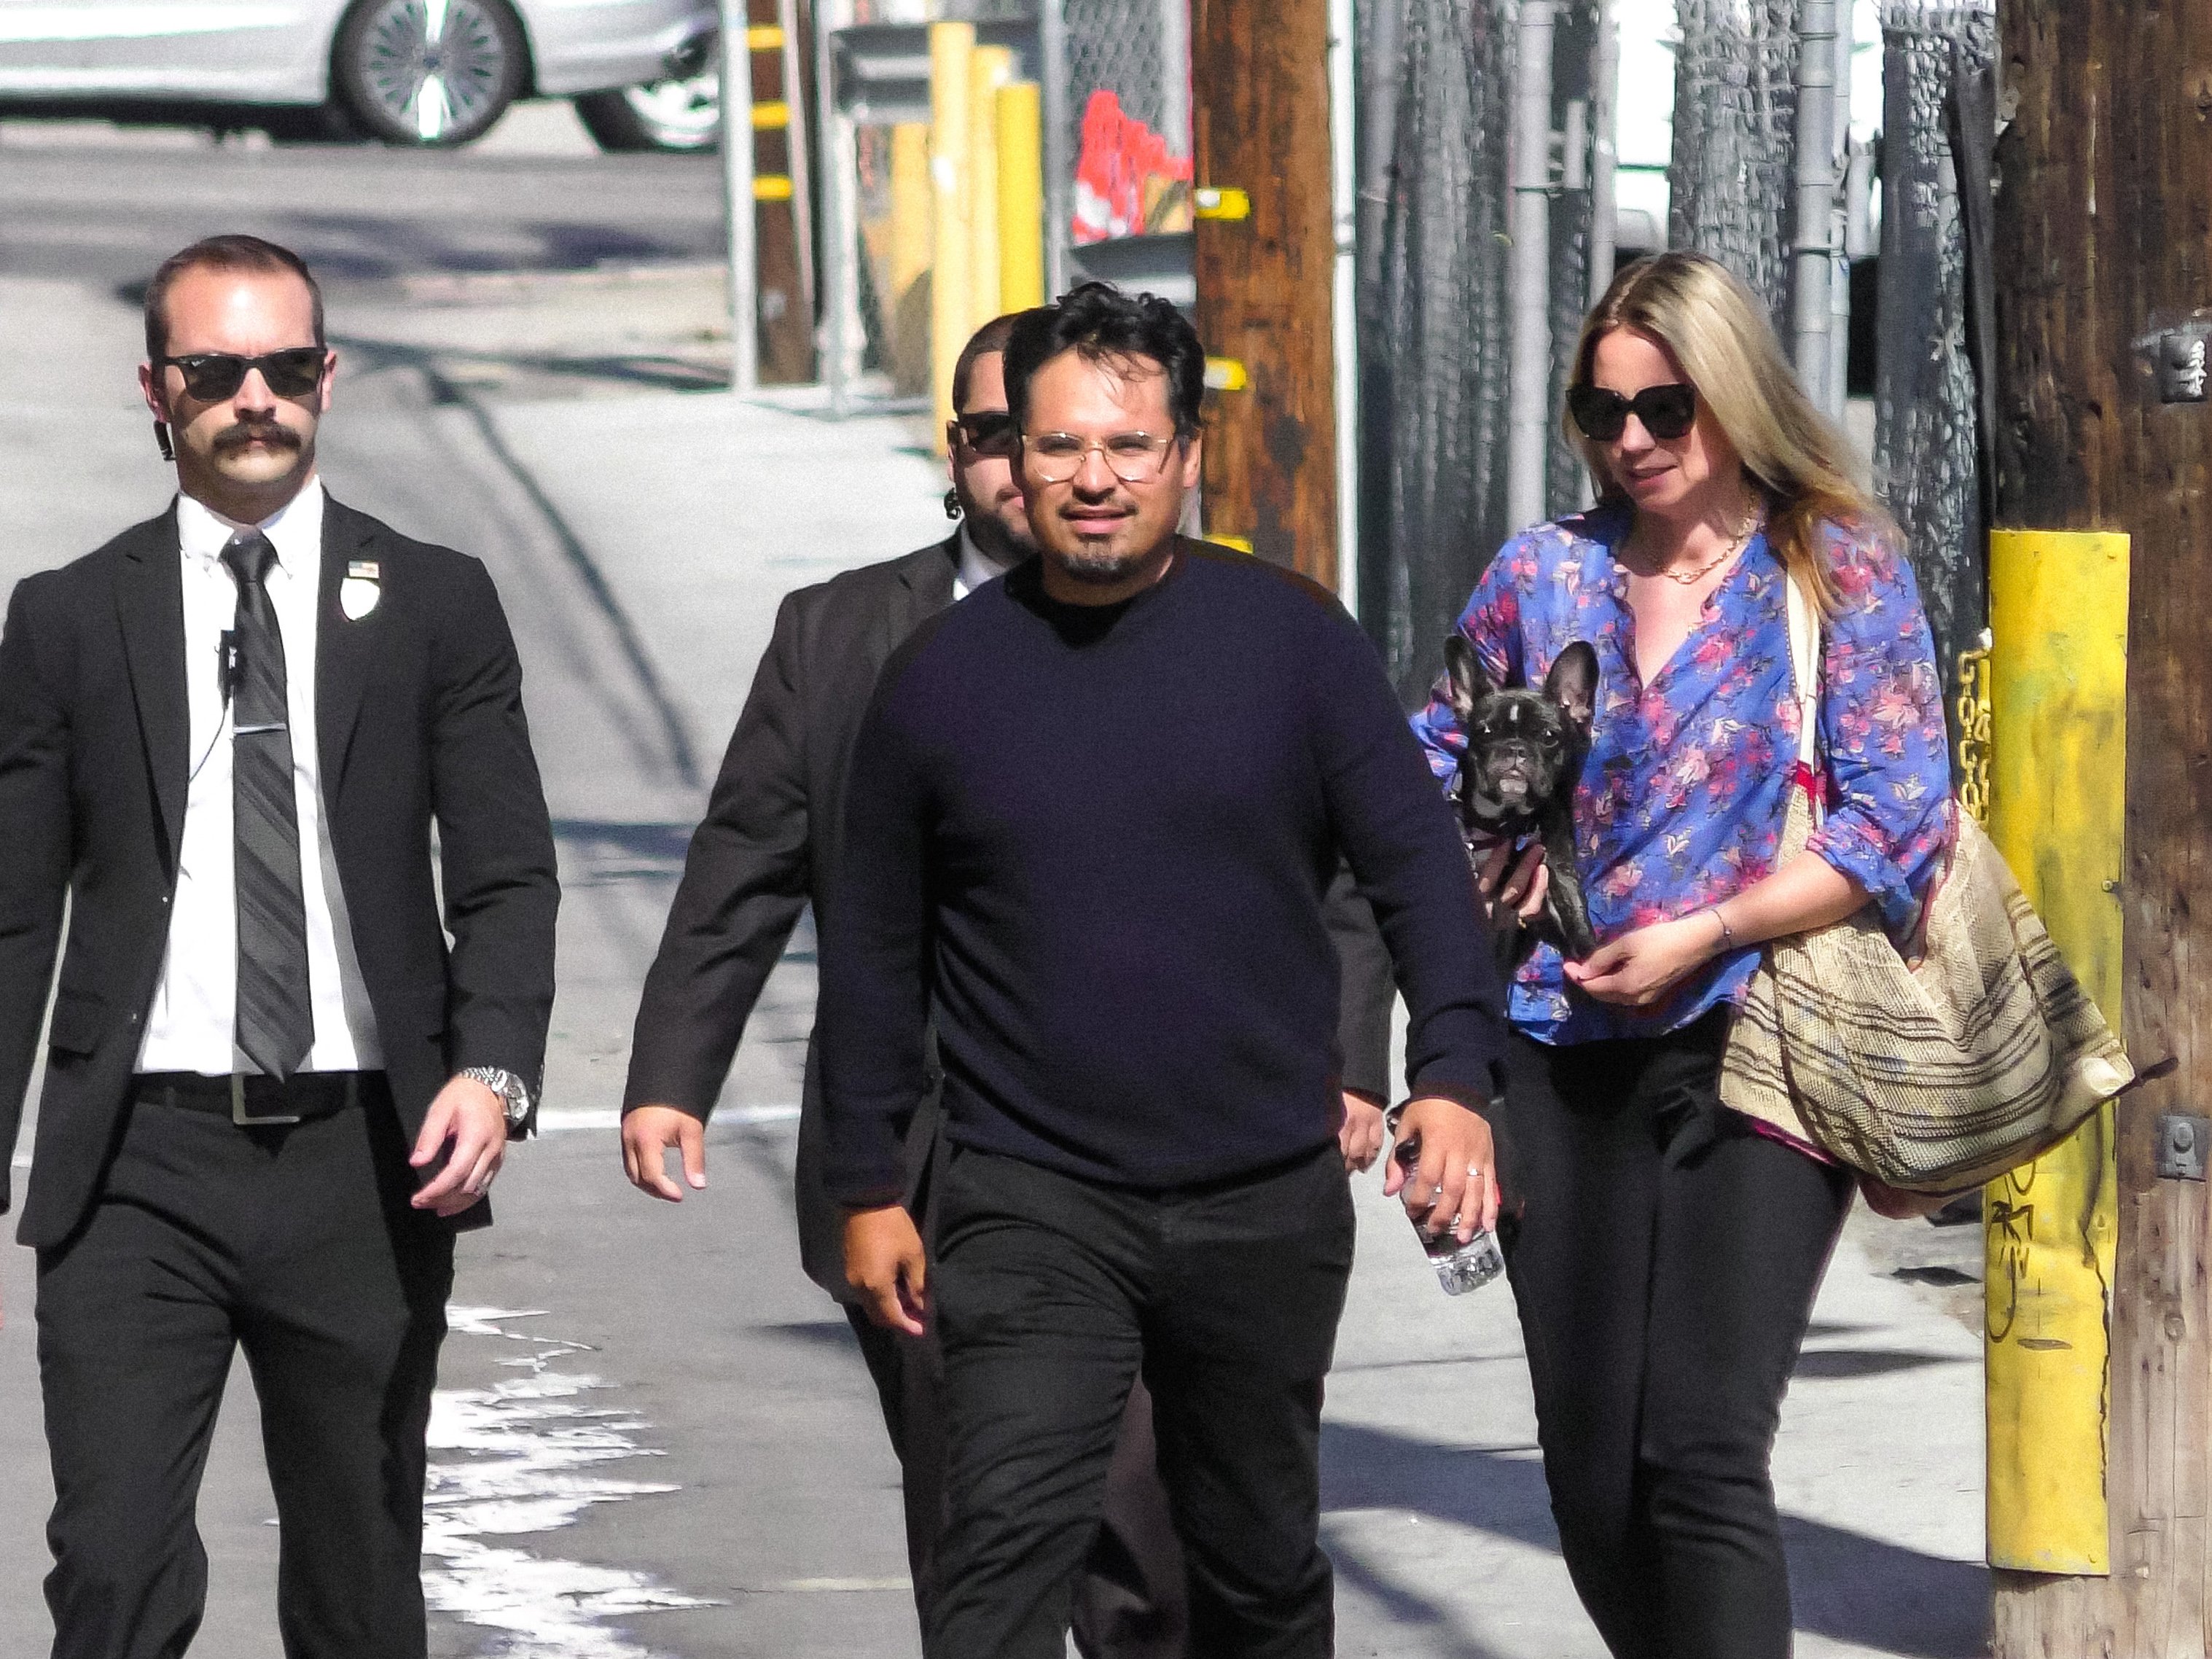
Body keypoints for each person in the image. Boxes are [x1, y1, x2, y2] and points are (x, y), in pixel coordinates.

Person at [820, 281, 1510, 1659]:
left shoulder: (1296, 643)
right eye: (1058, 445)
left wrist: (1453, 1077)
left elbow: (1419, 873)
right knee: (1000, 1557)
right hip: (1030, 1199)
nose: (1092, 479)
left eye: (1129, 447)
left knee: (1252, 1563)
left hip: (1259, 1196)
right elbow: (875, 954)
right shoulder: (940, 682)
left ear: (1188, 454)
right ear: (1010, 456)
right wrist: (867, 1189)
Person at [630, 311, 1329, 1658]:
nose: (1035, 468)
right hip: (911, 1150)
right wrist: (673, 1075)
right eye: (999, 438)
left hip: (1124, 1149)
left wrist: (1355, 1066)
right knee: (977, 1531)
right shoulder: (842, 634)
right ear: (955, 455)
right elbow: (746, 864)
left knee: (1142, 1534)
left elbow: (1338, 871)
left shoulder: (1232, 631)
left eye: (1068, 438)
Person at [0, 234, 559, 1659]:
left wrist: (491, 1070)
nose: (256, 397)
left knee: (359, 1577)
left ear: (329, 374)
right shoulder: (68, 616)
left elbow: (503, 873)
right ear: (154, 388)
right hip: (137, 1165)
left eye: (286, 366)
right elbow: (12, 906)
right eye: (215, 370)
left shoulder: (434, 600)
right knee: (114, 1567)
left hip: (360, 1165)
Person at [1408, 250, 1952, 1659]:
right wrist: (1485, 866)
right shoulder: (1545, 572)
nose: (1635, 441)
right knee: (1594, 1483)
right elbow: (1423, 770)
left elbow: (1900, 822)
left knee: (1701, 1451)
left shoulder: (1833, 566)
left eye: (1668, 410)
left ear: (1734, 399)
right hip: (1553, 1048)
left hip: (1758, 1038)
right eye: (1604, 412)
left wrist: (1708, 929)